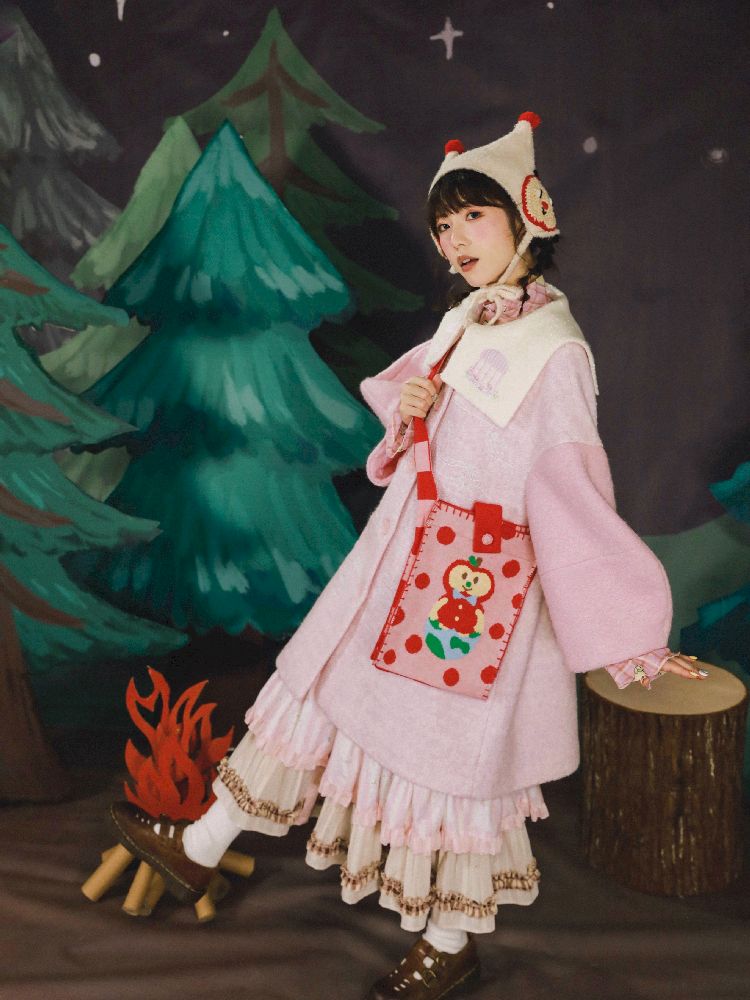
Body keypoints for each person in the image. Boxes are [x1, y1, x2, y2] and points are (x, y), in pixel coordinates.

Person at [109, 112, 708, 1000]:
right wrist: (415, 412)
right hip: (400, 557)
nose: (454, 239)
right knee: (315, 689)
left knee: (454, 760)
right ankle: (199, 845)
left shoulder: (554, 352)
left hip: (476, 585)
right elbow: (420, 436)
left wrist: (627, 632)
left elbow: (573, 495)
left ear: (527, 217)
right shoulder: (470, 319)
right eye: (443, 224)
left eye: (473, 216)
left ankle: (451, 939)